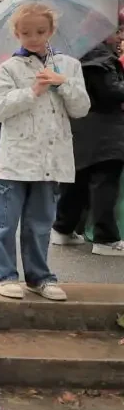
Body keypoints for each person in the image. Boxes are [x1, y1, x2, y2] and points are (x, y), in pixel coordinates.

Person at [0, 3, 90, 301]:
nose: (33, 38)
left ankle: (40, 277)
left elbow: (81, 108)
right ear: (16, 34)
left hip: (51, 158)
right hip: (16, 158)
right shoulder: (10, 67)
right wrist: (32, 91)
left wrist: (63, 84)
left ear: (51, 31)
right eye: (26, 33)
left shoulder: (69, 65)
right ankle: (3, 275)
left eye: (40, 32)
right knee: (5, 221)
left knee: (40, 223)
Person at [51, 22, 124, 257]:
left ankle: (63, 228)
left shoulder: (76, 57)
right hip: (105, 131)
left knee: (77, 181)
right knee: (105, 184)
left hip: (80, 127)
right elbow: (110, 94)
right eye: (116, 31)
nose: (119, 35)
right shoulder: (102, 59)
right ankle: (106, 239)